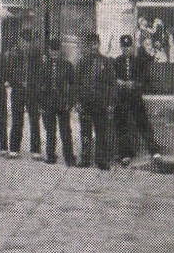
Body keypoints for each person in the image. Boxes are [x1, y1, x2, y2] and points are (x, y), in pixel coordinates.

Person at [113, 34, 160, 164]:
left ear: (132, 47)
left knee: (143, 124)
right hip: (121, 98)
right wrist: (120, 82)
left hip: (135, 97)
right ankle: (125, 154)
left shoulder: (139, 62)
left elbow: (146, 82)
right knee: (121, 124)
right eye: (124, 47)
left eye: (129, 47)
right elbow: (111, 79)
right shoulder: (116, 62)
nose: (126, 49)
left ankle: (154, 151)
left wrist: (134, 83)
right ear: (121, 47)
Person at [75, 31, 116, 170]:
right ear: (87, 45)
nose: (93, 46)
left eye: (95, 44)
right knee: (85, 131)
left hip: (101, 102)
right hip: (86, 102)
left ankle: (101, 159)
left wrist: (110, 103)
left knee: (101, 132)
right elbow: (76, 84)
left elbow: (111, 84)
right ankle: (85, 158)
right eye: (91, 44)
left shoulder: (106, 62)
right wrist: (77, 102)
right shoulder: (81, 62)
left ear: (98, 44)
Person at [40, 37, 76, 165]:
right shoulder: (43, 66)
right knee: (50, 130)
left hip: (63, 102)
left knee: (65, 131)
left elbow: (73, 86)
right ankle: (50, 155)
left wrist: (70, 103)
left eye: (56, 50)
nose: (54, 53)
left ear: (60, 51)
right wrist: (42, 104)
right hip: (48, 102)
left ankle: (69, 157)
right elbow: (40, 86)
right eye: (52, 50)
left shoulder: (67, 66)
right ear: (49, 51)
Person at [7, 30, 43, 159]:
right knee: (19, 119)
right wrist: (15, 83)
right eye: (24, 40)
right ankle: (16, 148)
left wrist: (36, 86)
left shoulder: (36, 52)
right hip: (20, 89)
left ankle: (34, 149)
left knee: (33, 120)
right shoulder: (13, 52)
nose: (26, 43)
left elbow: (40, 71)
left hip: (31, 90)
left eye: (28, 40)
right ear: (21, 39)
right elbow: (8, 71)